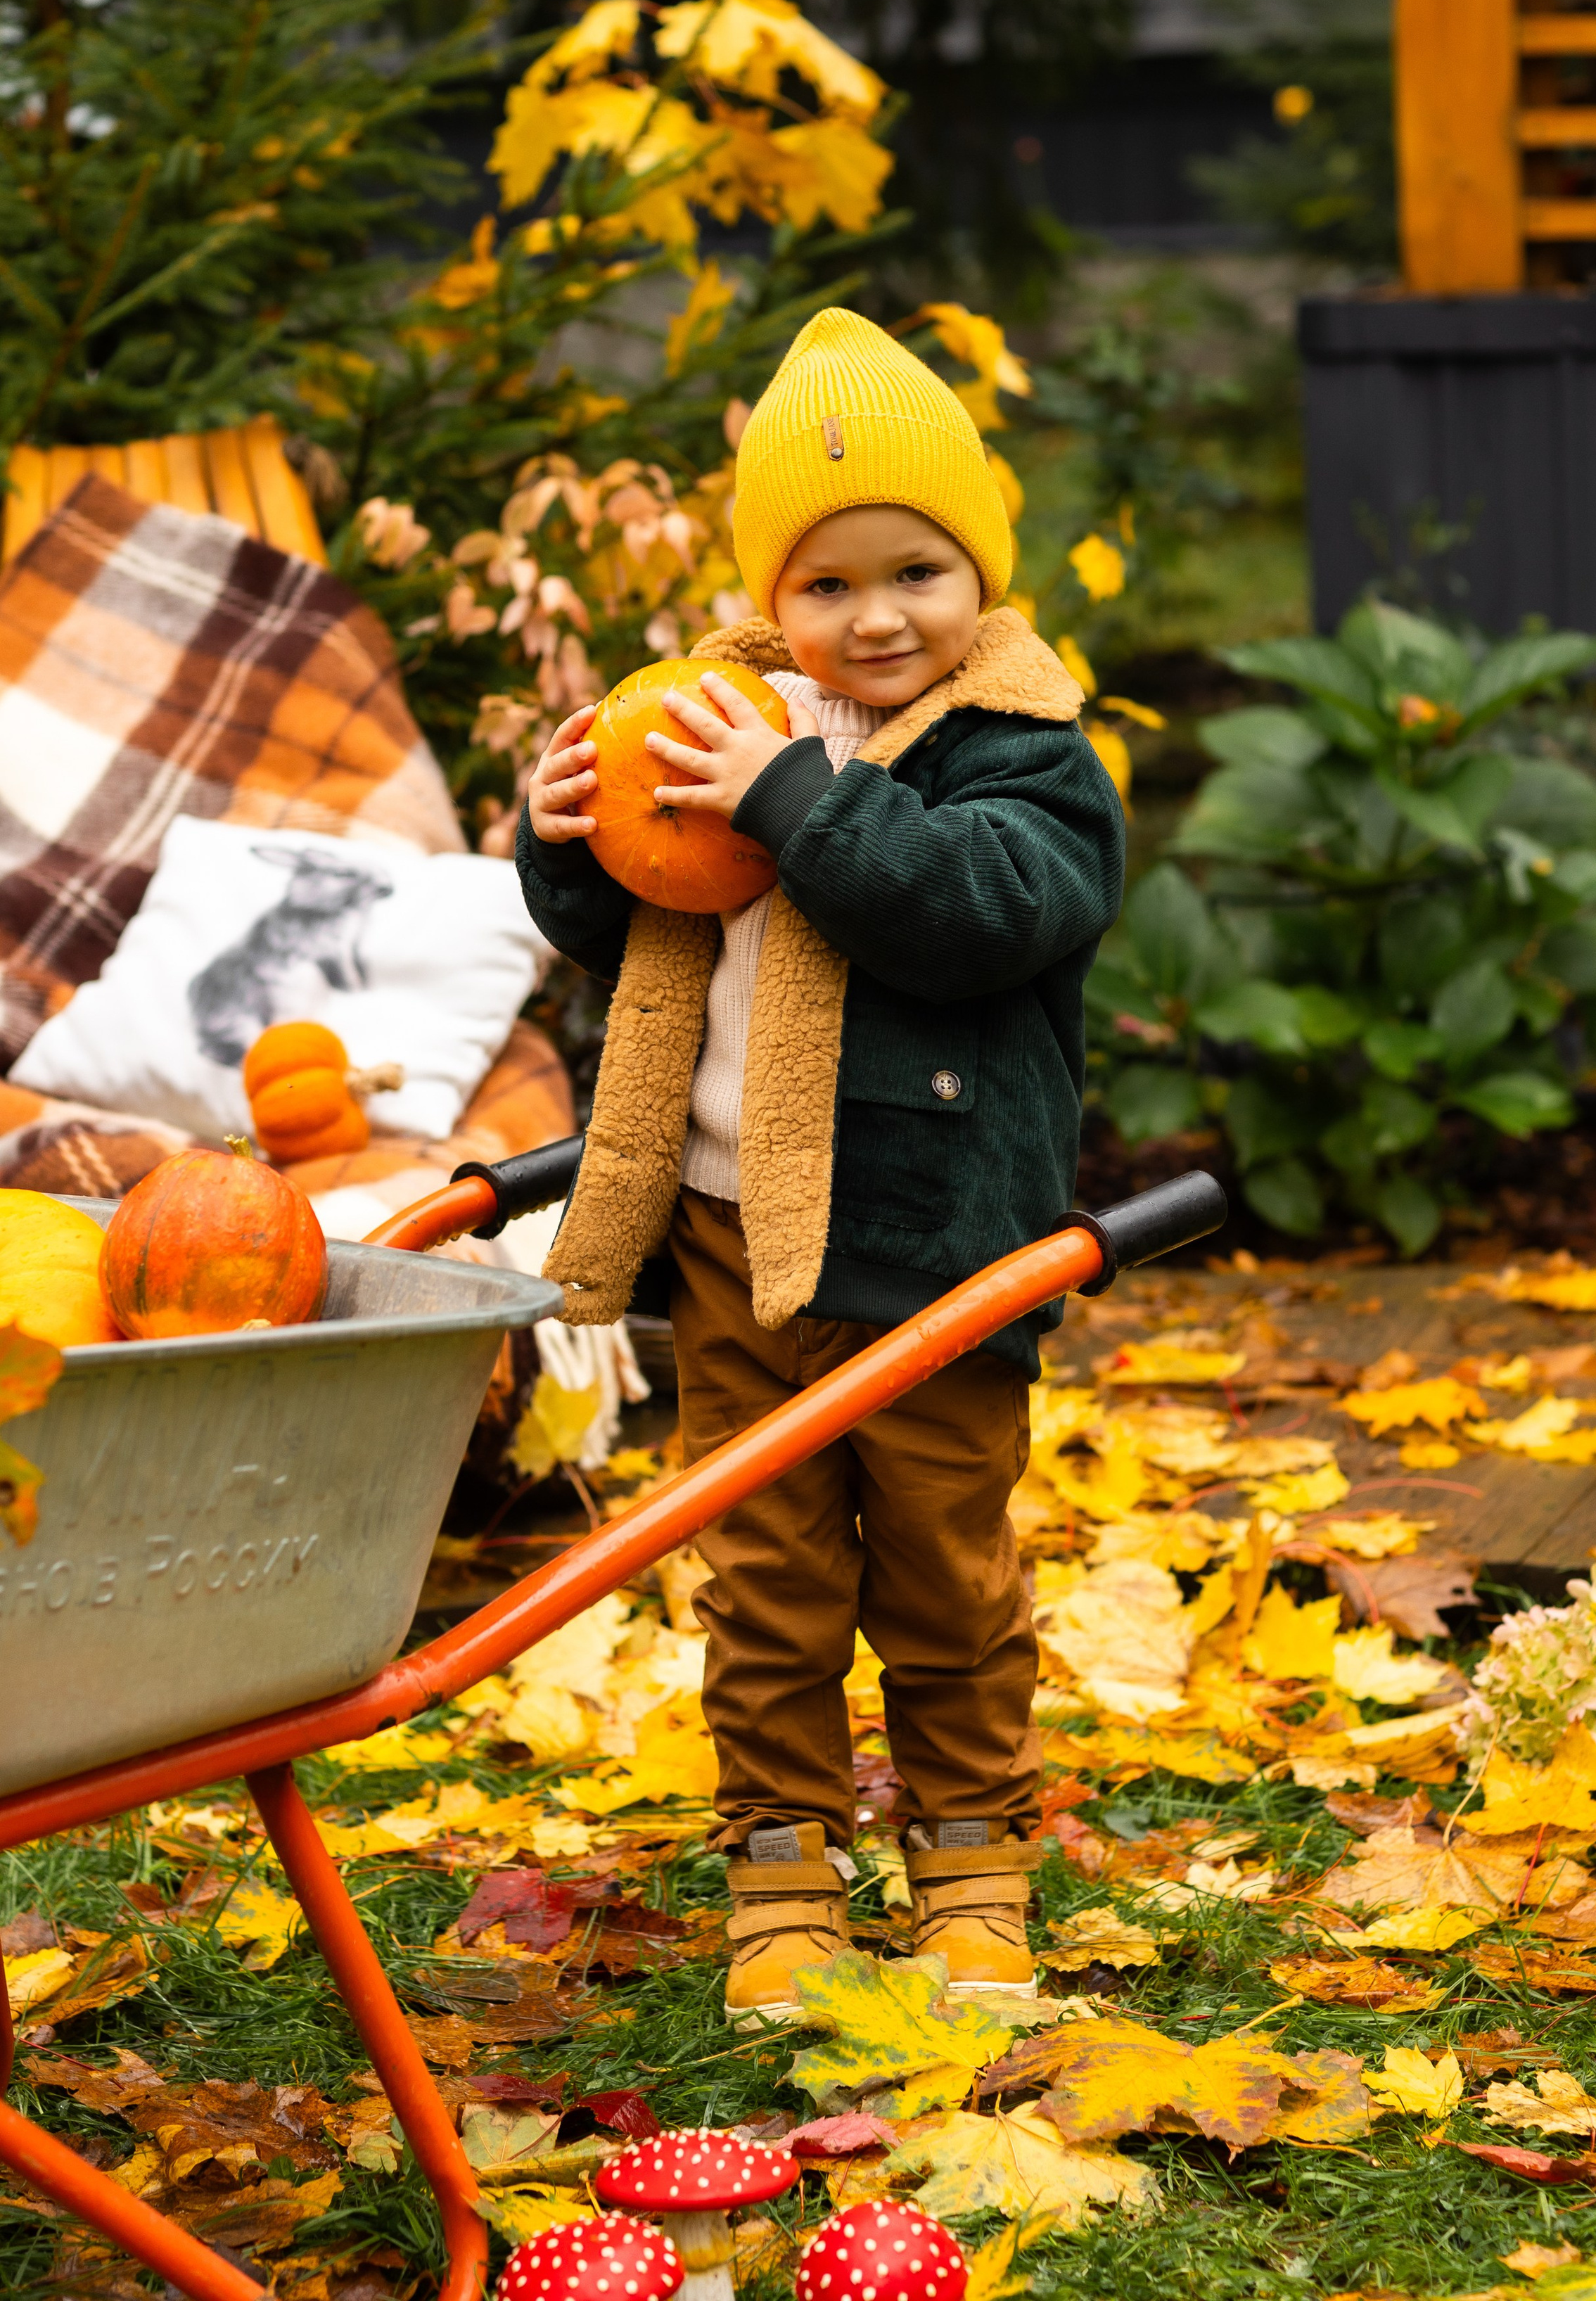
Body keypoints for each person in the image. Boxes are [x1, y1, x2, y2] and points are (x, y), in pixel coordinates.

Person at [516, 305, 1126, 2021]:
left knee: (940, 1571)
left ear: (979, 580)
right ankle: (781, 1858)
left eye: (915, 571)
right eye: (828, 583)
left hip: (936, 1250)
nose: (874, 618)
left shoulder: (1025, 751)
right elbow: (641, 907)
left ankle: (968, 1860)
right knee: (766, 1572)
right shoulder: (713, 721)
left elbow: (982, 911)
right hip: (728, 1237)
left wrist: (796, 799)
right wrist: (563, 841)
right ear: (773, 596)